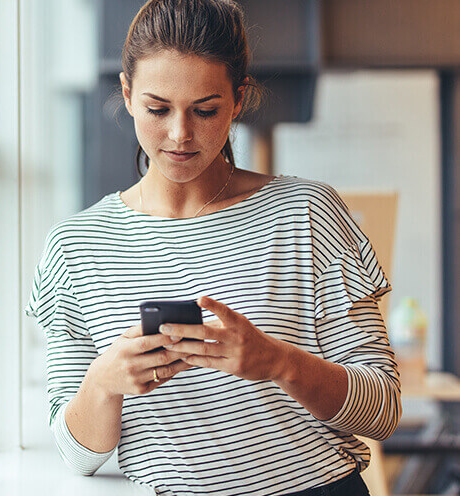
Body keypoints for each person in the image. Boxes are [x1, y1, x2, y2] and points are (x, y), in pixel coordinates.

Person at [24, 1, 401, 495]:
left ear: (239, 99)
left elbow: (386, 409)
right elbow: (77, 456)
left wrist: (280, 362)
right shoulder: (76, 247)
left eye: (205, 110)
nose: (180, 134)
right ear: (127, 94)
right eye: (158, 109)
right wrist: (103, 382)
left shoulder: (307, 213)